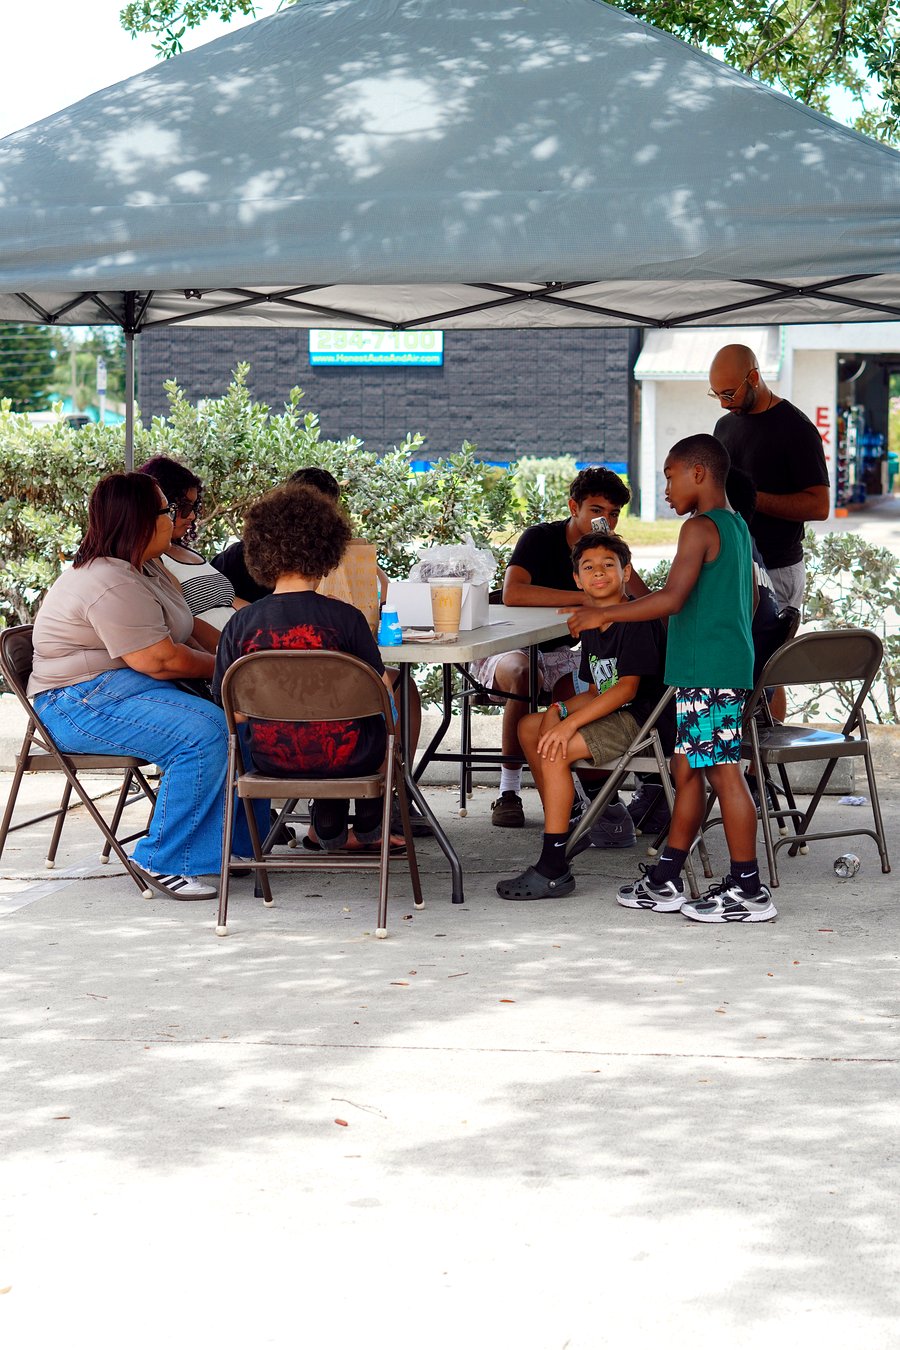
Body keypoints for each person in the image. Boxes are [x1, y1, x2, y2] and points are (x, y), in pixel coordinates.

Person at [568, 433, 777, 923]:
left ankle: (748, 888)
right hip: (712, 668)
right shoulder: (735, 526)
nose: (664, 488)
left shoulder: (700, 527)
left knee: (724, 773)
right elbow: (695, 598)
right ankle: (665, 878)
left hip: (710, 672)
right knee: (687, 775)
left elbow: (672, 600)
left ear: (698, 473)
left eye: (669, 475)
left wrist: (608, 616)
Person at [28, 472, 257, 901]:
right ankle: (162, 857)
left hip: (122, 687)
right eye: (167, 511)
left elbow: (188, 629)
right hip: (77, 700)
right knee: (207, 733)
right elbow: (160, 659)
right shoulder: (108, 580)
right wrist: (228, 669)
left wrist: (243, 655)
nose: (175, 518)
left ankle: (230, 847)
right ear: (140, 521)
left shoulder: (147, 567)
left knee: (244, 717)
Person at [212, 482, 403, 854]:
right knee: (380, 713)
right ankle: (367, 813)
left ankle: (328, 822)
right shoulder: (346, 619)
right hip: (352, 758)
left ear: (260, 551)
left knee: (319, 723)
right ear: (328, 549)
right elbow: (380, 695)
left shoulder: (240, 624)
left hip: (271, 759)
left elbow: (231, 713)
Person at [496, 532, 670, 900]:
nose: (599, 573)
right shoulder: (593, 622)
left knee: (555, 747)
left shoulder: (634, 619)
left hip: (644, 723)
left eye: (609, 565)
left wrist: (569, 724)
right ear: (577, 580)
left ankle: (553, 865)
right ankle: (566, 830)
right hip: (615, 713)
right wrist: (558, 710)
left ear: (626, 573)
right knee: (531, 726)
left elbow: (625, 690)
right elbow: (594, 691)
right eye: (588, 567)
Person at [474, 465, 640, 830]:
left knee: (572, 688)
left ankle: (585, 801)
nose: (605, 521)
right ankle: (509, 791)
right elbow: (513, 592)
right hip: (510, 646)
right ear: (573, 507)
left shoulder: (606, 555)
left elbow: (637, 599)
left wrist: (614, 578)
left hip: (566, 652)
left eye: (613, 514)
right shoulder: (540, 538)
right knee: (523, 674)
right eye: (596, 511)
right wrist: (586, 598)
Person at [709, 343, 829, 609]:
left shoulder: (796, 428)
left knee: (772, 652)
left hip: (777, 569)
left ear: (753, 378)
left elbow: (819, 506)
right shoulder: (725, 425)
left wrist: (749, 499)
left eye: (728, 394)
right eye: (716, 395)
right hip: (733, 564)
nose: (722, 404)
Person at [138, 455, 247, 651]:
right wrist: (234, 653)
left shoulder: (189, 553)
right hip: (224, 658)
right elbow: (185, 623)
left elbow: (232, 602)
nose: (192, 515)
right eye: (184, 507)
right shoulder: (152, 559)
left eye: (194, 507)